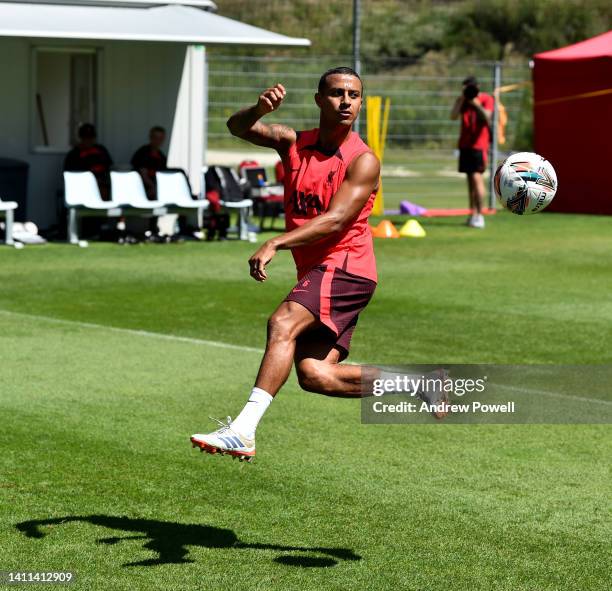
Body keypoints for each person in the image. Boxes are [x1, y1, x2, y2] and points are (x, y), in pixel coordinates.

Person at [190, 67, 448, 463]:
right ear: (318, 99)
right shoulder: (293, 142)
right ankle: (419, 384)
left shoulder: (363, 161)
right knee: (315, 375)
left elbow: (337, 219)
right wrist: (257, 109)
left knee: (282, 323)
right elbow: (236, 127)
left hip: (346, 266)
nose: (346, 101)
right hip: (321, 270)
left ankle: (242, 430)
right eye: (336, 93)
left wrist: (275, 240)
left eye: (354, 95)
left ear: (360, 103)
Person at [451, 76, 494, 229]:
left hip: (479, 146)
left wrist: (475, 104)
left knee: (477, 178)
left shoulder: (486, 99)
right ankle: (472, 213)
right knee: (470, 180)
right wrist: (462, 100)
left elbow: (487, 117)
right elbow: (453, 116)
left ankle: (480, 214)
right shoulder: (463, 100)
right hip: (465, 145)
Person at [64, 123, 113, 200]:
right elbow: (71, 177)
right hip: (83, 188)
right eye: (86, 138)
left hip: (102, 186)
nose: (89, 140)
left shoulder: (101, 150)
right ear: (81, 138)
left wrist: (102, 180)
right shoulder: (73, 154)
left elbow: (109, 168)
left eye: (91, 137)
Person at [130, 126, 167, 200]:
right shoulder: (143, 152)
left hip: (156, 188)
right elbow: (143, 175)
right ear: (150, 138)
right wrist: (154, 187)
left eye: (160, 138)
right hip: (140, 187)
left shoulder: (162, 156)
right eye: (155, 138)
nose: (158, 141)